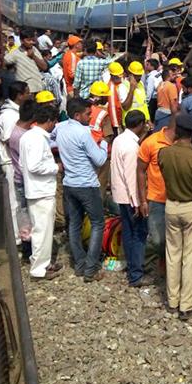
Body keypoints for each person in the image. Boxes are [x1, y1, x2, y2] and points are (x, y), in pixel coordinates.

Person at [157, 114, 192, 320]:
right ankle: (187, 304)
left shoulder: (164, 154)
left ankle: (172, 300)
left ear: (177, 131)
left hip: (171, 206)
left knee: (172, 254)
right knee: (191, 257)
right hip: (191, 208)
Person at [54, 98, 109, 282]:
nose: (90, 117)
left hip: (70, 184)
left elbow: (50, 139)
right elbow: (100, 160)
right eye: (87, 114)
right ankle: (91, 268)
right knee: (98, 223)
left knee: (74, 225)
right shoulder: (83, 133)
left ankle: (79, 264)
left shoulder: (61, 128)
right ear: (77, 115)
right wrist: (103, 145)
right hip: (86, 184)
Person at [19, 103, 63, 280]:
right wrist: (56, 167)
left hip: (35, 189)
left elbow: (23, 164)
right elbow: (34, 166)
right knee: (42, 232)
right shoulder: (37, 139)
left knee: (41, 230)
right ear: (50, 121)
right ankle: (38, 270)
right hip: (41, 190)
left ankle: (43, 263)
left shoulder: (27, 136)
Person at [111, 111, 151, 286]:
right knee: (139, 234)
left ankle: (133, 266)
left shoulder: (119, 139)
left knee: (128, 232)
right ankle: (136, 274)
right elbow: (131, 177)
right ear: (140, 124)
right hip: (130, 197)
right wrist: (138, 202)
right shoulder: (132, 148)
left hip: (120, 194)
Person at [137, 117, 174, 278]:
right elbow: (140, 171)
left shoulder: (183, 143)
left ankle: (165, 266)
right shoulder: (151, 142)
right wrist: (143, 200)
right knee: (157, 239)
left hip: (177, 199)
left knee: (172, 238)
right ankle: (145, 267)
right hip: (156, 198)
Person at [0, 81, 30, 243]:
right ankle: (16, 237)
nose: (30, 95)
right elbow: (9, 139)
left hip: (16, 161)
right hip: (10, 162)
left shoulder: (15, 111)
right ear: (19, 95)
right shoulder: (9, 115)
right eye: (27, 93)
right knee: (14, 201)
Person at [9, 99, 37, 257]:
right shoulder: (23, 137)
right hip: (25, 180)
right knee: (29, 213)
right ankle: (30, 248)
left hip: (19, 177)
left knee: (24, 213)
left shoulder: (15, 130)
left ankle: (28, 246)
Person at [88, 81, 114, 201]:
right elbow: (108, 135)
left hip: (86, 151)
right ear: (100, 97)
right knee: (100, 183)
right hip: (101, 153)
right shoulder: (103, 114)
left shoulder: (84, 109)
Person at [3, 28, 48, 93]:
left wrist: (33, 56)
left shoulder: (34, 50)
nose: (31, 42)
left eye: (32, 40)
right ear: (21, 41)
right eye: (28, 40)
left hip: (39, 87)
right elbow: (4, 64)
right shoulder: (15, 53)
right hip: (27, 91)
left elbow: (44, 67)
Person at [108, 62, 135, 132]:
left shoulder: (122, 81)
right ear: (112, 76)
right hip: (119, 121)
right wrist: (117, 124)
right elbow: (113, 108)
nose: (120, 78)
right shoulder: (111, 88)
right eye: (117, 77)